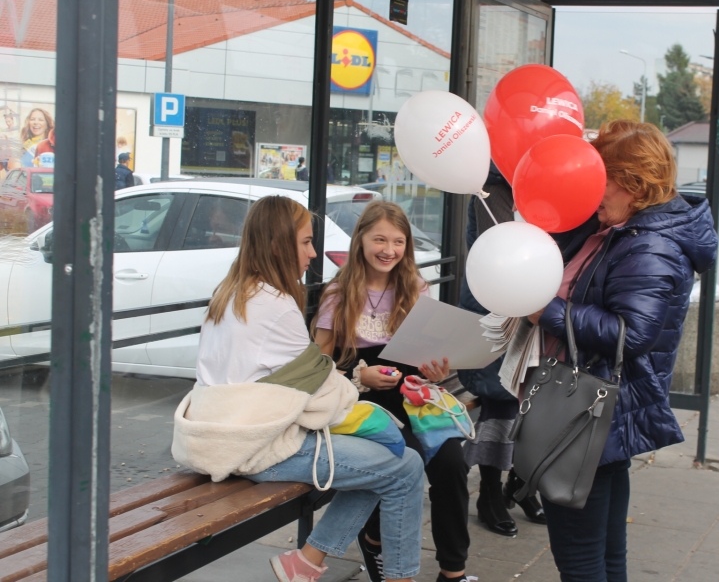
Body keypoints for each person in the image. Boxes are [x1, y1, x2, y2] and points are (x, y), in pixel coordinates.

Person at [171, 195, 425, 582]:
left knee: (382, 464)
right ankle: (387, 576)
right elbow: (321, 391)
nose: (312, 253)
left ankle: (306, 563)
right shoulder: (275, 305)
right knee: (404, 466)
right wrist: (359, 393)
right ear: (278, 244)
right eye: (306, 242)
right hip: (256, 448)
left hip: (221, 438)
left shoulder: (232, 292)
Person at [528, 120, 717, 582]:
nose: (591, 192)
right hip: (598, 412)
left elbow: (630, 333)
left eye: (601, 180)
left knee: (581, 560)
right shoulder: (621, 230)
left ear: (635, 185)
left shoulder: (649, 245)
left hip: (587, 412)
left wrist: (543, 310)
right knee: (605, 553)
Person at [313, 202, 473, 582]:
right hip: (362, 403)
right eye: (380, 240)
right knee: (406, 460)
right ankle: (375, 539)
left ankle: (453, 572)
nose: (389, 250)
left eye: (398, 241)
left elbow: (426, 356)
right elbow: (317, 367)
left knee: (452, 463)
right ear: (361, 240)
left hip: (412, 398)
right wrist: (360, 376)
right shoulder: (338, 294)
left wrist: (436, 370)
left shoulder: (415, 287)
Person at [456, 163, 546, 538]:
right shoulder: (493, 186)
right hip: (497, 309)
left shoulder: (550, 181)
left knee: (540, 397)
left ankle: (522, 483)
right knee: (502, 394)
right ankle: (491, 491)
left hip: (541, 308)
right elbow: (498, 256)